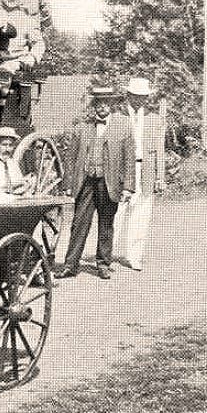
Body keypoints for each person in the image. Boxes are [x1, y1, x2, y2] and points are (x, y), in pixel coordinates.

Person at [56, 86, 136, 280]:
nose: (102, 107)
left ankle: (103, 264)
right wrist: (68, 183)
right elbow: (71, 157)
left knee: (106, 223)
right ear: (93, 106)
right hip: (86, 182)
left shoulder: (124, 125)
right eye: (98, 104)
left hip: (110, 183)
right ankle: (70, 265)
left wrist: (128, 187)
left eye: (105, 103)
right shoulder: (83, 126)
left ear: (112, 105)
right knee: (78, 223)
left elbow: (129, 159)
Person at [113, 77, 165, 271]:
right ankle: (106, 254)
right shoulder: (117, 116)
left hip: (146, 170)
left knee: (141, 214)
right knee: (116, 213)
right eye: (135, 96)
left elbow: (160, 150)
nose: (138, 100)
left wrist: (160, 177)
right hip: (122, 171)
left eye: (142, 97)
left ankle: (134, 256)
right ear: (128, 95)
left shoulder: (154, 119)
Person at [0, 0, 45, 103]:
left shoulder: (27, 18)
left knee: (5, 72)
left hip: (14, 59)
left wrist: (32, 57)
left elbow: (39, 43)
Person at [0, 126, 36, 204]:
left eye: (10, 145)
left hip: (15, 202)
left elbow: (19, 185)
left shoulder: (12, 163)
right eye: (4, 145)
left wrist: (26, 184)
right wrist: (15, 197)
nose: (7, 149)